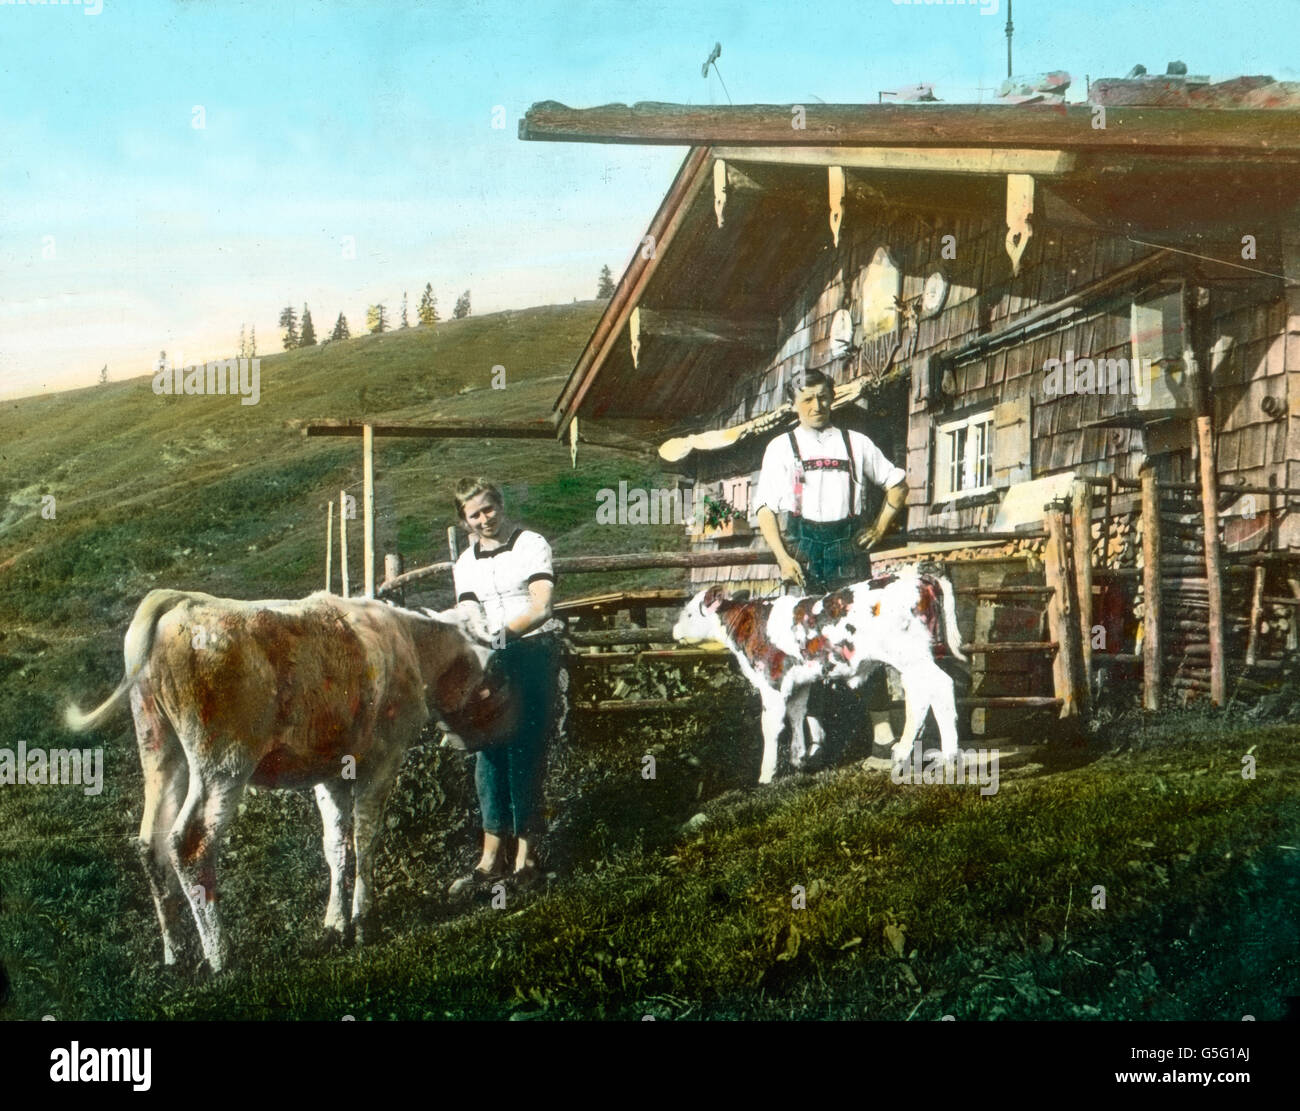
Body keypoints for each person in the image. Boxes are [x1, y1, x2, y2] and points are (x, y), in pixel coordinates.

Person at [753, 366, 909, 764]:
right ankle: (815, 734)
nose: (816, 405)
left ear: (833, 397)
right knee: (806, 643)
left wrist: (878, 527)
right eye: (806, 399)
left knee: (864, 634)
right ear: (793, 404)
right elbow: (766, 512)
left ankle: (882, 732)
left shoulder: (856, 443)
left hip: (848, 549)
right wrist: (783, 559)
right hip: (803, 552)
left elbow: (897, 484)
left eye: (822, 397)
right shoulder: (780, 448)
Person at [446, 478, 563, 895]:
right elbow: (469, 611)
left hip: (532, 655)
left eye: (489, 509)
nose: (484, 520)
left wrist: (497, 639)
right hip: (489, 663)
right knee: (488, 755)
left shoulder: (530, 544)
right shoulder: (466, 563)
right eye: (474, 515)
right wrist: (479, 647)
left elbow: (540, 606)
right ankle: (489, 859)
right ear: (464, 521)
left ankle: (526, 859)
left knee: (523, 752)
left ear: (500, 504)